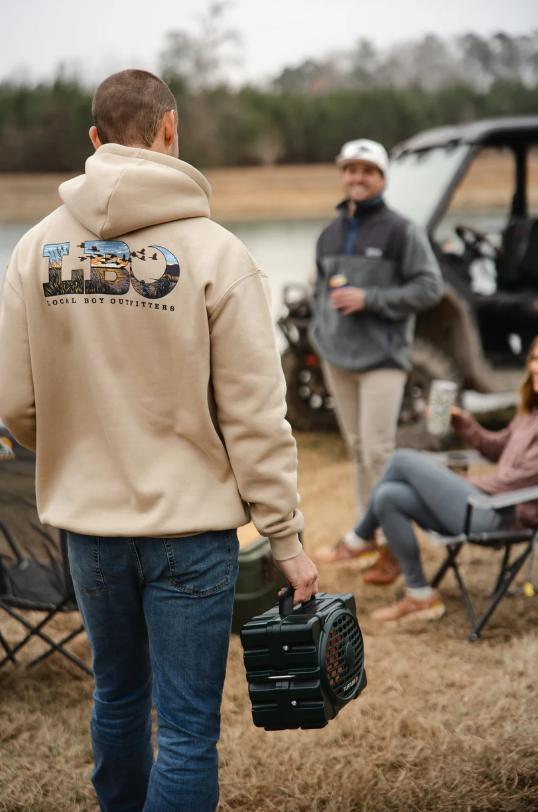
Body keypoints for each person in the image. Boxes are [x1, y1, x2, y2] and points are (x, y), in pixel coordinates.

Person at [0, 69, 318, 812]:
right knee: (183, 730)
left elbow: (14, 403)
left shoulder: (33, 251)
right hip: (191, 532)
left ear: (94, 139)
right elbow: (255, 416)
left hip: (89, 527)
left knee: (116, 698)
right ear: (171, 129)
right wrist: (286, 537)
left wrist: (81, 456)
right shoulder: (216, 253)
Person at [311, 138, 444, 578]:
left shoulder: (401, 230)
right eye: (350, 169)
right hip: (337, 359)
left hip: (382, 360)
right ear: (342, 175)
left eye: (367, 171)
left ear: (383, 178)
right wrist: (320, 332)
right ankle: (364, 537)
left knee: (380, 451)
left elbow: (430, 287)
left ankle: (393, 546)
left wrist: (371, 298)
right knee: (357, 450)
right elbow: (319, 292)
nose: (357, 177)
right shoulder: (329, 233)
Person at [351, 335, 538, 624]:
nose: (536, 368)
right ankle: (420, 595)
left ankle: (358, 539)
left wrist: (465, 482)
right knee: (389, 495)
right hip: (480, 505)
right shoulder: (529, 414)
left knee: (402, 459)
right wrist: (463, 422)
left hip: (500, 515)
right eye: (535, 359)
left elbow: (513, 483)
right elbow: (497, 448)